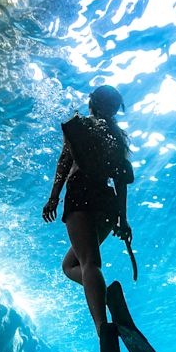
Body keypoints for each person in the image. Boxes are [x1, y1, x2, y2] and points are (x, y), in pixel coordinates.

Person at [42, 84, 134, 336]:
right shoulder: (116, 137)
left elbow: (64, 163)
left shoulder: (80, 127)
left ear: (91, 102)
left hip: (81, 193)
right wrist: (123, 219)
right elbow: (121, 180)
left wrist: (53, 198)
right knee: (72, 265)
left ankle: (102, 328)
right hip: (107, 202)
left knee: (89, 263)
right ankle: (101, 292)